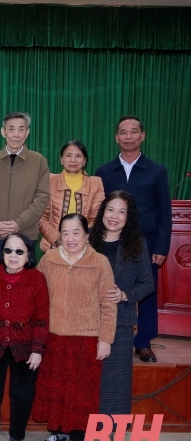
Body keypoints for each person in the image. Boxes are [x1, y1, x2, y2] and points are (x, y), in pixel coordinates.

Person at [33, 213, 116, 441]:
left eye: (76, 232)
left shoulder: (100, 262)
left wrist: (106, 339)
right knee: (56, 386)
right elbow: (36, 293)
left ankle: (78, 438)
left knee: (83, 391)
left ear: (87, 235)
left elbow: (109, 304)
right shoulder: (49, 259)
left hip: (87, 337)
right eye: (65, 232)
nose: (70, 238)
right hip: (54, 336)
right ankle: (57, 433)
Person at [96, 116, 171, 363]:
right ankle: (105, 335)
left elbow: (164, 211)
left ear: (143, 135)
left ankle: (144, 342)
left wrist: (161, 246)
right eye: (123, 132)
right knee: (109, 290)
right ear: (116, 137)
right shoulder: (104, 171)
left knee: (145, 292)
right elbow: (98, 210)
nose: (128, 136)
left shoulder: (157, 171)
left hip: (146, 244)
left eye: (134, 132)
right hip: (111, 242)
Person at [0, 233, 49, 441]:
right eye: (8, 250)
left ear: (28, 254)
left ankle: (17, 437)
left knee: (22, 394)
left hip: (25, 347)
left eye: (19, 251)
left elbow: (42, 317)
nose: (13, 255)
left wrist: (37, 350)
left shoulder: (37, 279)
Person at [89, 191, 154, 416]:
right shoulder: (87, 240)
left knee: (114, 381)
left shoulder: (136, 245)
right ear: (102, 212)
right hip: (85, 321)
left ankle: (107, 430)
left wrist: (126, 295)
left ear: (129, 217)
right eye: (110, 209)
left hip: (121, 322)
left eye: (121, 211)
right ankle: (80, 429)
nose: (114, 216)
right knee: (85, 378)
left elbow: (148, 283)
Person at [0, 112, 50, 267]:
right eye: (11, 129)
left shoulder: (38, 161)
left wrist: (18, 223)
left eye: (21, 129)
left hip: (25, 234)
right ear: (3, 132)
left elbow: (42, 197)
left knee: (24, 286)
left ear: (27, 133)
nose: (16, 134)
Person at [39, 141, 105, 252]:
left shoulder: (95, 183)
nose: (73, 160)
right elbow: (41, 217)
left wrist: (78, 241)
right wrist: (58, 239)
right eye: (68, 155)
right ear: (61, 159)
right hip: (53, 247)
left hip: (84, 248)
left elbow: (97, 218)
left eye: (78, 156)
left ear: (84, 161)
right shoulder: (49, 180)